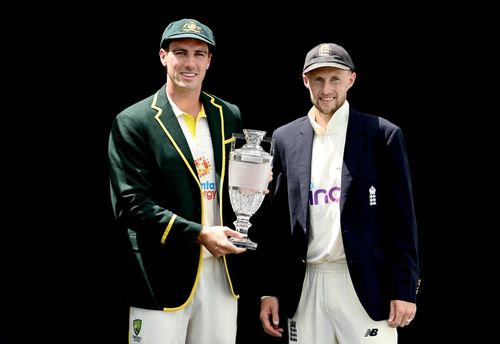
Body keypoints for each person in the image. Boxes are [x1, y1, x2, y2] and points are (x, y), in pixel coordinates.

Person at [254, 43, 420, 343]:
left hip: (364, 284)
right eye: (318, 79)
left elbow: (402, 220)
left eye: (334, 79)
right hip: (306, 284)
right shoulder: (285, 138)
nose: (326, 88)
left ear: (351, 80)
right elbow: (276, 224)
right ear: (306, 81)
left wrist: (404, 289)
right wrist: (270, 288)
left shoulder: (381, 135)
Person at [108, 18, 248, 344]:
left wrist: (255, 186)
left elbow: (236, 185)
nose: (190, 62)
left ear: (210, 60)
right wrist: (198, 234)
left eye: (200, 54)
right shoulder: (134, 121)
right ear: (163, 56)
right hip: (160, 279)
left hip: (222, 276)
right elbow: (130, 204)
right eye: (180, 52)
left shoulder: (229, 114)